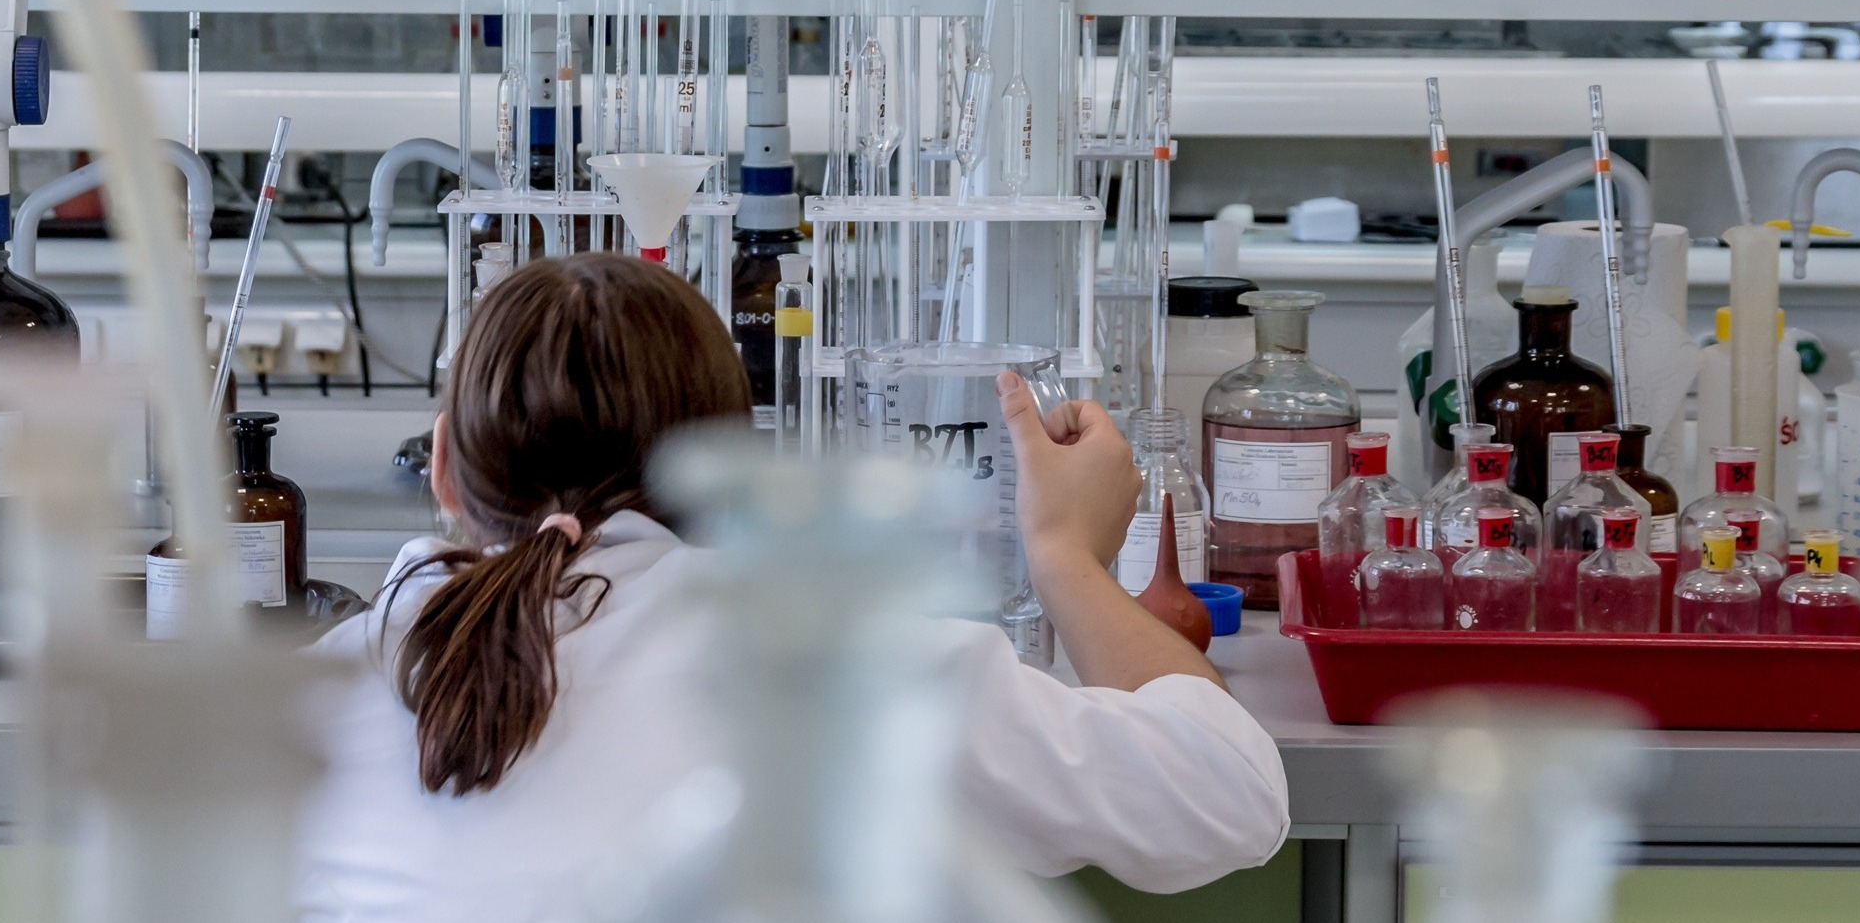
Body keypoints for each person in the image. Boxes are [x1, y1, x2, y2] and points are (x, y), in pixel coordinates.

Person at [295, 254, 1286, 921]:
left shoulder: (309, 704)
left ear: (440, 468)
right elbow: (1232, 795)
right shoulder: (837, 674)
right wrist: (1065, 552)